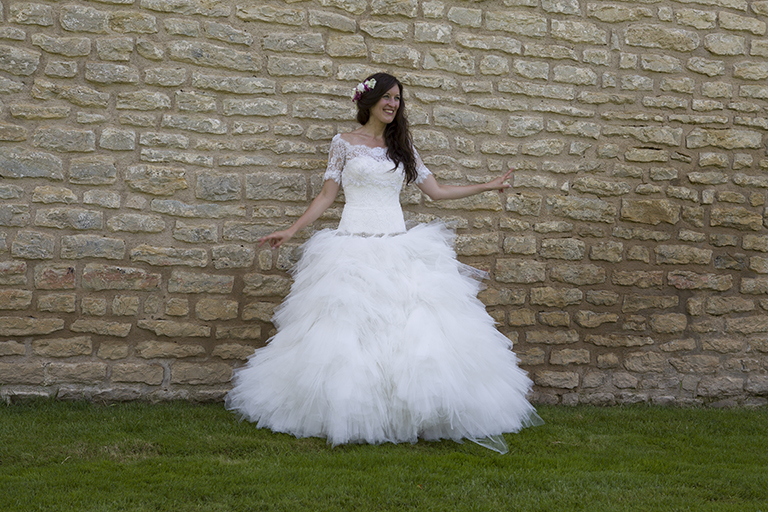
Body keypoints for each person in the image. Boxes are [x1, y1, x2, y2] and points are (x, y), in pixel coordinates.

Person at [225, 73, 541, 453]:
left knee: (411, 330)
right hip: (352, 247)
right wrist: (292, 230)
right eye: (387, 97)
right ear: (369, 101)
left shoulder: (402, 146)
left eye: (397, 98)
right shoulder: (343, 143)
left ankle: (409, 413)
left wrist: (486, 186)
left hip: (398, 245)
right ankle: (349, 410)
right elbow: (327, 196)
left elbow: (437, 191)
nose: (393, 104)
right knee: (347, 331)